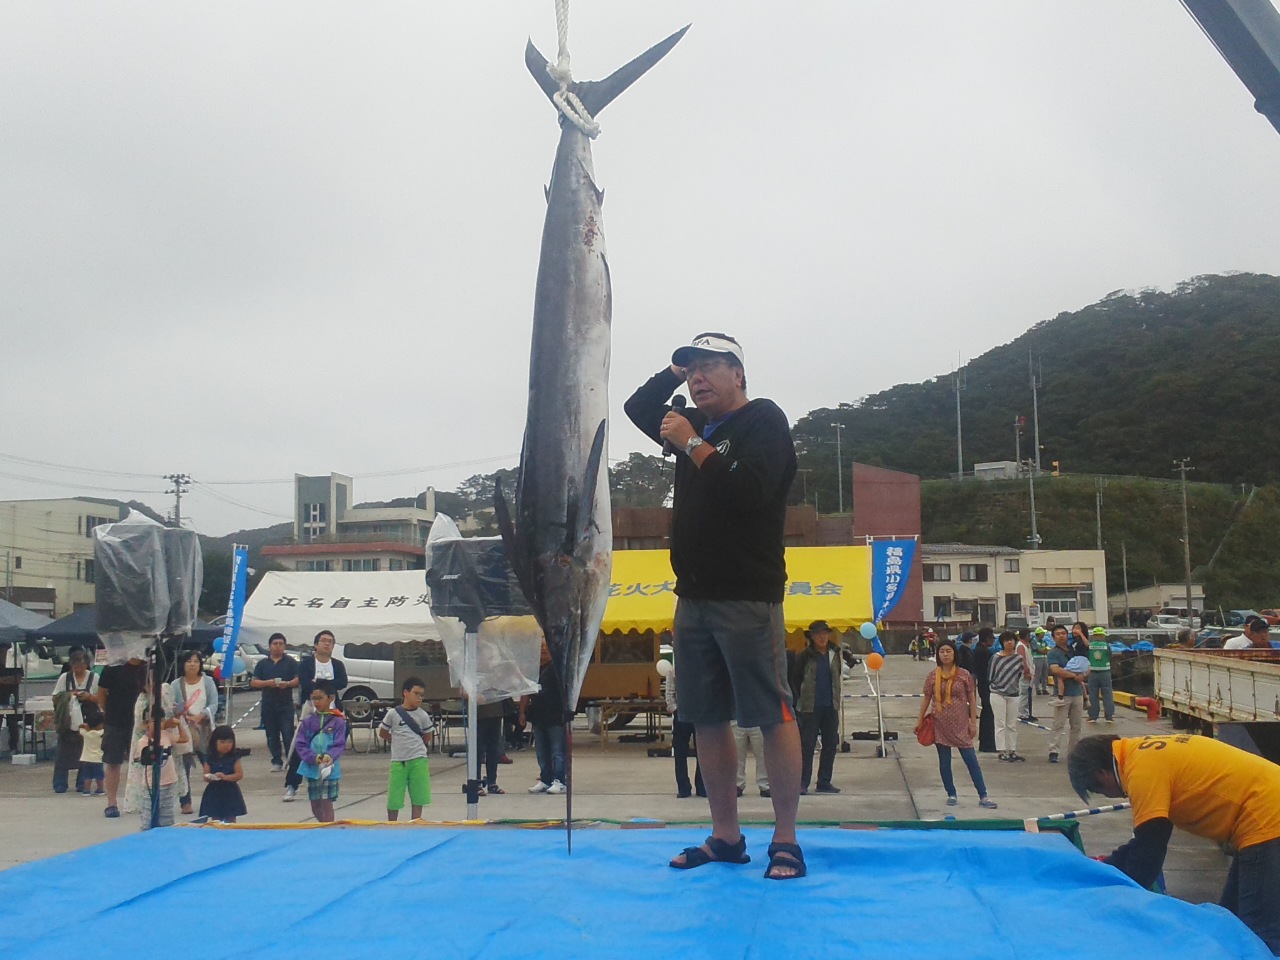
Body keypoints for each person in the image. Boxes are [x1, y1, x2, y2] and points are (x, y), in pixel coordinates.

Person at [625, 331, 805, 880]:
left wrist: (692, 444)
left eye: (710, 366)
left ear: (739, 374)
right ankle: (725, 836)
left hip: (747, 595)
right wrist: (673, 373)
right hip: (693, 597)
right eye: (693, 368)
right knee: (704, 716)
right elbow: (637, 408)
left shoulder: (764, 421)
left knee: (770, 714)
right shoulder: (695, 425)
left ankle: (786, 840)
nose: (700, 376)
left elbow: (751, 491)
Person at [1069, 734, 1280, 953]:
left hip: (1266, 818)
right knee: (1231, 922)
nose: (1108, 795)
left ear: (1101, 774)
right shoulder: (1140, 754)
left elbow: (1149, 851)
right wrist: (1104, 869)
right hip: (1265, 810)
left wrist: (1120, 901)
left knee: (1258, 933)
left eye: (1099, 790)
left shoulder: (1140, 771)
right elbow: (1145, 840)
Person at [915, 638, 997, 809]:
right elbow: (927, 698)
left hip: (961, 725)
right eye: (942, 651)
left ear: (954, 654)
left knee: (971, 761)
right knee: (944, 762)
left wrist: (973, 721)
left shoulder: (964, 675)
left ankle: (983, 795)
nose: (945, 654)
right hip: (940, 724)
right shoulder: (932, 676)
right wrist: (920, 719)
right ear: (938, 655)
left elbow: (972, 698)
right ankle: (951, 793)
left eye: (948, 651)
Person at [284, 631, 347, 802]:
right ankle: (292, 784)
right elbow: (305, 683)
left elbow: (343, 682)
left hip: (333, 711)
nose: (327, 644)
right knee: (301, 746)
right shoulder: (306, 664)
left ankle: (327, 781)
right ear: (316, 644)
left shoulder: (337, 664)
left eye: (330, 642)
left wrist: (323, 685)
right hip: (311, 710)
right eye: (324, 641)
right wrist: (322, 688)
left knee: (331, 746)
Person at [790, 620, 842, 795]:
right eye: (818, 634)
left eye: (825, 633)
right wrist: (800, 700)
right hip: (809, 708)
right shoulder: (805, 656)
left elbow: (838, 675)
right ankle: (802, 782)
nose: (822, 637)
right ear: (812, 637)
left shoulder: (834, 654)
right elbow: (795, 679)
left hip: (831, 706)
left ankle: (824, 781)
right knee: (807, 746)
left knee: (830, 745)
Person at [95, 656, 147, 819]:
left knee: (144, 762)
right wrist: (108, 713)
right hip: (115, 721)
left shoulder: (147, 668)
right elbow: (101, 695)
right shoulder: (112, 667)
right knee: (113, 761)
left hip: (140, 722)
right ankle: (112, 802)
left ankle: (143, 800)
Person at [379, 676, 433, 820]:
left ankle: (415, 822)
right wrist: (394, 740)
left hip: (418, 759)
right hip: (398, 760)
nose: (419, 698)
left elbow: (428, 736)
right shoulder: (393, 714)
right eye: (416, 694)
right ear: (405, 693)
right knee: (394, 796)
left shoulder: (423, 715)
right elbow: (383, 732)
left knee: (418, 795)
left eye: (421, 695)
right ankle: (392, 824)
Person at [170, 650, 217, 814]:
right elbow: (172, 705)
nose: (192, 664)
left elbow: (214, 704)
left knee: (210, 763)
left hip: (204, 729)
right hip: (184, 729)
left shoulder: (208, 682)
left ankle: (215, 798)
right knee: (184, 767)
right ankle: (185, 801)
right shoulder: (176, 685)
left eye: (196, 661)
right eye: (189, 661)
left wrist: (201, 715)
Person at [294, 681, 346, 823]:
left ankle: (328, 831)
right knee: (315, 803)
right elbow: (300, 744)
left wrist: (330, 756)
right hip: (312, 768)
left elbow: (340, 743)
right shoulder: (308, 722)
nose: (316, 702)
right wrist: (313, 757)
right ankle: (322, 826)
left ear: (331, 698)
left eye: (320, 698)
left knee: (326, 802)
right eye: (314, 698)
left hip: (330, 769)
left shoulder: (338, 721)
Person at [521, 641, 569, 796]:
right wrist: (522, 711)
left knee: (557, 750)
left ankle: (560, 780)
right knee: (541, 751)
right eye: (540, 645)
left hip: (555, 715)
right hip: (538, 716)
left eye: (545, 645)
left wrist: (567, 712)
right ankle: (545, 779)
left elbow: (568, 692)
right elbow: (526, 691)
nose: (542, 649)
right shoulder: (533, 669)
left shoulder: (559, 669)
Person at [132, 704, 188, 830]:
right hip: (152, 784)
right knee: (148, 817)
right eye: (154, 722)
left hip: (169, 782)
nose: (159, 724)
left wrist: (179, 724)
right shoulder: (143, 741)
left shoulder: (166, 735)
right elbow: (144, 759)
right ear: (146, 724)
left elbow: (185, 739)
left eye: (161, 721)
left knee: (167, 817)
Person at [51, 650, 98, 794]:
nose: (79, 669)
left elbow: (101, 698)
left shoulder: (94, 677)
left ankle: (82, 783)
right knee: (62, 753)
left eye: (82, 665)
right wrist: (69, 697)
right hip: (68, 721)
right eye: (76, 665)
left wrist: (88, 697)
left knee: (85, 752)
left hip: (88, 720)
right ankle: (60, 783)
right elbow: (55, 698)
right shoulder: (64, 678)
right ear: (71, 665)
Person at [251, 633, 299, 772]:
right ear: (269, 646)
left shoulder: (290, 662)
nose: (278, 646)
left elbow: (297, 679)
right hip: (268, 704)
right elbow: (254, 682)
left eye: (281, 644)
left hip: (285, 704)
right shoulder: (262, 664)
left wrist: (288, 683)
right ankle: (276, 761)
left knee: (288, 733)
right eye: (275, 644)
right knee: (272, 735)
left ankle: (291, 761)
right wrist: (268, 683)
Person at [664, 654, 705, 799]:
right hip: (681, 714)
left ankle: (702, 786)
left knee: (703, 751)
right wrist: (675, 709)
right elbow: (669, 693)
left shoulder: (702, 669)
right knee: (680, 752)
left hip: (700, 714)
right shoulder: (674, 671)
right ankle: (683, 787)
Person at [1047, 624, 1087, 764]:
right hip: (1062, 695)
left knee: (1076, 725)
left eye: (1063, 633)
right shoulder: (1053, 653)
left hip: (1076, 692)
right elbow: (1055, 670)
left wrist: (1083, 676)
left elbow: (1087, 664)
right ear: (1053, 637)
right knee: (1058, 723)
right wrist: (1073, 676)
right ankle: (1054, 750)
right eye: (1058, 634)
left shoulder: (1075, 650)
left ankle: (1073, 751)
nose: (1061, 636)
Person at [988, 631, 1027, 762]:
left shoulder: (1019, 659)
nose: (1009, 642)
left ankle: (1012, 750)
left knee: (1012, 724)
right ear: (1002, 643)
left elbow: (1020, 674)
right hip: (997, 694)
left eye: (1011, 640)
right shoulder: (995, 658)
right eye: (1006, 640)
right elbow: (991, 676)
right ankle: (1001, 750)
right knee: (1000, 723)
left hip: (1014, 694)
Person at [199, 725, 247, 823]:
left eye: (230, 742)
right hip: (214, 792)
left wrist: (225, 777)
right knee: (215, 819)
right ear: (214, 742)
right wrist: (213, 777)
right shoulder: (209, 757)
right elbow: (206, 775)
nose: (226, 745)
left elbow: (239, 774)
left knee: (231, 818)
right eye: (222, 742)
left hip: (230, 792)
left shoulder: (234, 757)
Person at [972, 627, 997, 753]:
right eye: (992, 638)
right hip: (986, 686)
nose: (993, 641)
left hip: (982, 685)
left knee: (986, 713)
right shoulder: (984, 652)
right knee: (989, 714)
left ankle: (985, 742)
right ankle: (988, 743)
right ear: (986, 639)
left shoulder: (979, 650)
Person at [1085, 626, 1115, 723]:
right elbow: (1110, 656)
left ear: (1093, 636)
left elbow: (1087, 656)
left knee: (1093, 695)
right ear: (1102, 636)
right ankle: (1109, 716)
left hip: (1092, 672)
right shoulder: (1107, 646)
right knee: (1107, 694)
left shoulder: (1090, 645)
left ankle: (1093, 716)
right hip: (1105, 672)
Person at [732, 722, 770, 798]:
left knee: (763, 754)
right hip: (735, 718)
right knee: (735, 754)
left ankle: (765, 785)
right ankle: (736, 785)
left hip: (759, 719)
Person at [78, 701, 106, 796]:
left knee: (87, 776)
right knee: (99, 776)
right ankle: (100, 789)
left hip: (86, 758)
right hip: (98, 758)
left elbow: (80, 727)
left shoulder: (86, 734)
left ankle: (86, 790)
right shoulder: (101, 733)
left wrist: (85, 726)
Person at [1015, 628, 1037, 722]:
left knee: (1028, 694)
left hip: (1030, 673)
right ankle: (1023, 714)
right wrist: (1026, 670)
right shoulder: (1020, 646)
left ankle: (1027, 713)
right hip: (1025, 674)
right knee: (1024, 694)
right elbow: (1022, 659)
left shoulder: (1026, 645)